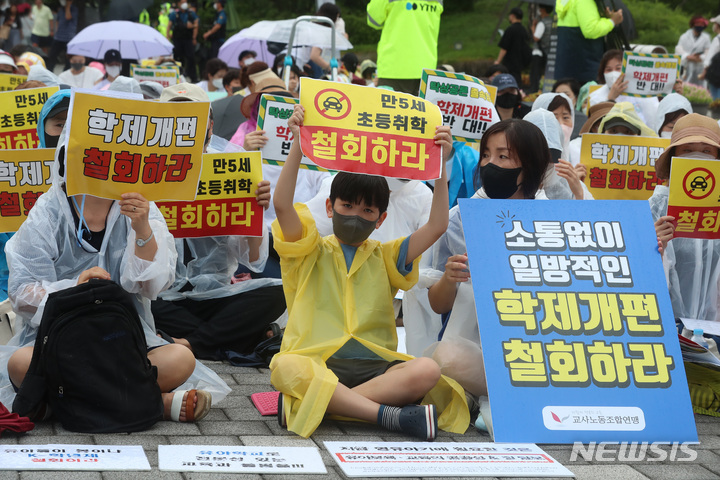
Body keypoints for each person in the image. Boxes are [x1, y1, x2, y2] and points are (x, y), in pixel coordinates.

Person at [0, 88, 230, 420]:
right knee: (20, 363)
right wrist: (76, 288)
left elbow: (153, 286)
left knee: (181, 359)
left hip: (124, 338)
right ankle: (156, 404)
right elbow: (22, 292)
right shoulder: (49, 210)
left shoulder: (141, 207)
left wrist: (142, 230)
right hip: (60, 339)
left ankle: (58, 403)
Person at [270, 103, 469, 440]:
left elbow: (437, 225)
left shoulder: (387, 255)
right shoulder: (306, 248)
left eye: (367, 210)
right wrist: (298, 147)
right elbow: (282, 206)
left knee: (427, 369)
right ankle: (385, 415)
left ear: (381, 219)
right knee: (287, 364)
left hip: (374, 365)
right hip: (317, 360)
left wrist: (440, 166)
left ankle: (320, 407)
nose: (355, 216)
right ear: (330, 207)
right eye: (347, 206)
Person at [149, 83, 286, 360]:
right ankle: (237, 339)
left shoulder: (232, 168)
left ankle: (189, 343)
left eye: (194, 118)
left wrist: (254, 210)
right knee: (131, 303)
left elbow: (253, 258)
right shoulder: (144, 169)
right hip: (161, 297)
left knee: (278, 292)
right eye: (175, 119)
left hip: (215, 294)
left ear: (210, 125)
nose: (185, 126)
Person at [427, 119, 551, 401]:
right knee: (446, 358)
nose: (489, 164)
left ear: (530, 167)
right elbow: (438, 305)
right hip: (479, 351)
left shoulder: (557, 221)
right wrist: (449, 278)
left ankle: (495, 399)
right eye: (485, 155)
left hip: (545, 351)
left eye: (503, 156)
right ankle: (504, 397)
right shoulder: (460, 219)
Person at [650, 114, 720, 321]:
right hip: (667, 324)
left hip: (712, 330)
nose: (697, 156)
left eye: (706, 151)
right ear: (674, 157)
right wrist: (654, 246)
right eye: (687, 150)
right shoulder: (655, 208)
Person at [367, 0, 442, 94]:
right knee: (420, 108)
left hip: (393, 68)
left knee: (389, 108)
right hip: (426, 69)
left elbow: (374, 19)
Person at [555, 0, 623, 85]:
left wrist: (605, 18)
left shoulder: (569, 2)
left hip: (568, 67)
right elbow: (590, 30)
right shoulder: (585, 1)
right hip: (585, 68)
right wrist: (612, 21)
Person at [588, 49, 660, 126]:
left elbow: (654, 122)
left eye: (618, 68)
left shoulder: (643, 92)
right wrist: (610, 99)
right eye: (609, 70)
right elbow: (597, 127)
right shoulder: (596, 97)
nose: (613, 73)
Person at [495, 7, 530, 88]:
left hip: (509, 64)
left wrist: (498, 61)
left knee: (508, 84)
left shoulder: (510, 30)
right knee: (517, 83)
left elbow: (504, 47)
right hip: (520, 63)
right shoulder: (524, 30)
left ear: (513, 16)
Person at [168, 2, 198, 83]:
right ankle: (178, 76)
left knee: (191, 58)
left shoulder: (191, 13)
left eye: (185, 2)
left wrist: (194, 36)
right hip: (178, 40)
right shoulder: (175, 14)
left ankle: (193, 77)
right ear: (178, 4)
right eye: (182, 2)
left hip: (188, 39)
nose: (184, 4)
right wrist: (168, 36)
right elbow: (169, 25)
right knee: (178, 58)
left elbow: (196, 24)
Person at [676, 16, 711, 86]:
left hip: (699, 65)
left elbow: (708, 51)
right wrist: (688, 56)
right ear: (693, 24)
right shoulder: (685, 36)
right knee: (683, 84)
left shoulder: (706, 37)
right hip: (686, 64)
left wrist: (700, 58)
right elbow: (678, 48)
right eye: (697, 24)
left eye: (702, 24)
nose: (700, 26)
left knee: (699, 87)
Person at [46, 0, 77, 73]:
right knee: (52, 56)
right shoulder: (60, 10)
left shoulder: (74, 9)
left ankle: (66, 74)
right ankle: (49, 72)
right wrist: (56, 31)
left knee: (68, 59)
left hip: (69, 38)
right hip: (58, 38)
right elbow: (57, 21)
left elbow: (68, 17)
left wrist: (68, 6)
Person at [529, 4, 553, 93]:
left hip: (539, 51)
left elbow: (536, 38)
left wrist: (533, 27)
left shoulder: (542, 23)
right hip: (548, 51)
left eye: (540, 9)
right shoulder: (552, 21)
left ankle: (534, 90)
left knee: (535, 73)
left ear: (543, 10)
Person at [701, 15, 720, 100]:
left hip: (716, 74)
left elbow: (709, 58)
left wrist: (704, 72)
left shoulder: (717, 39)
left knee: (716, 98)